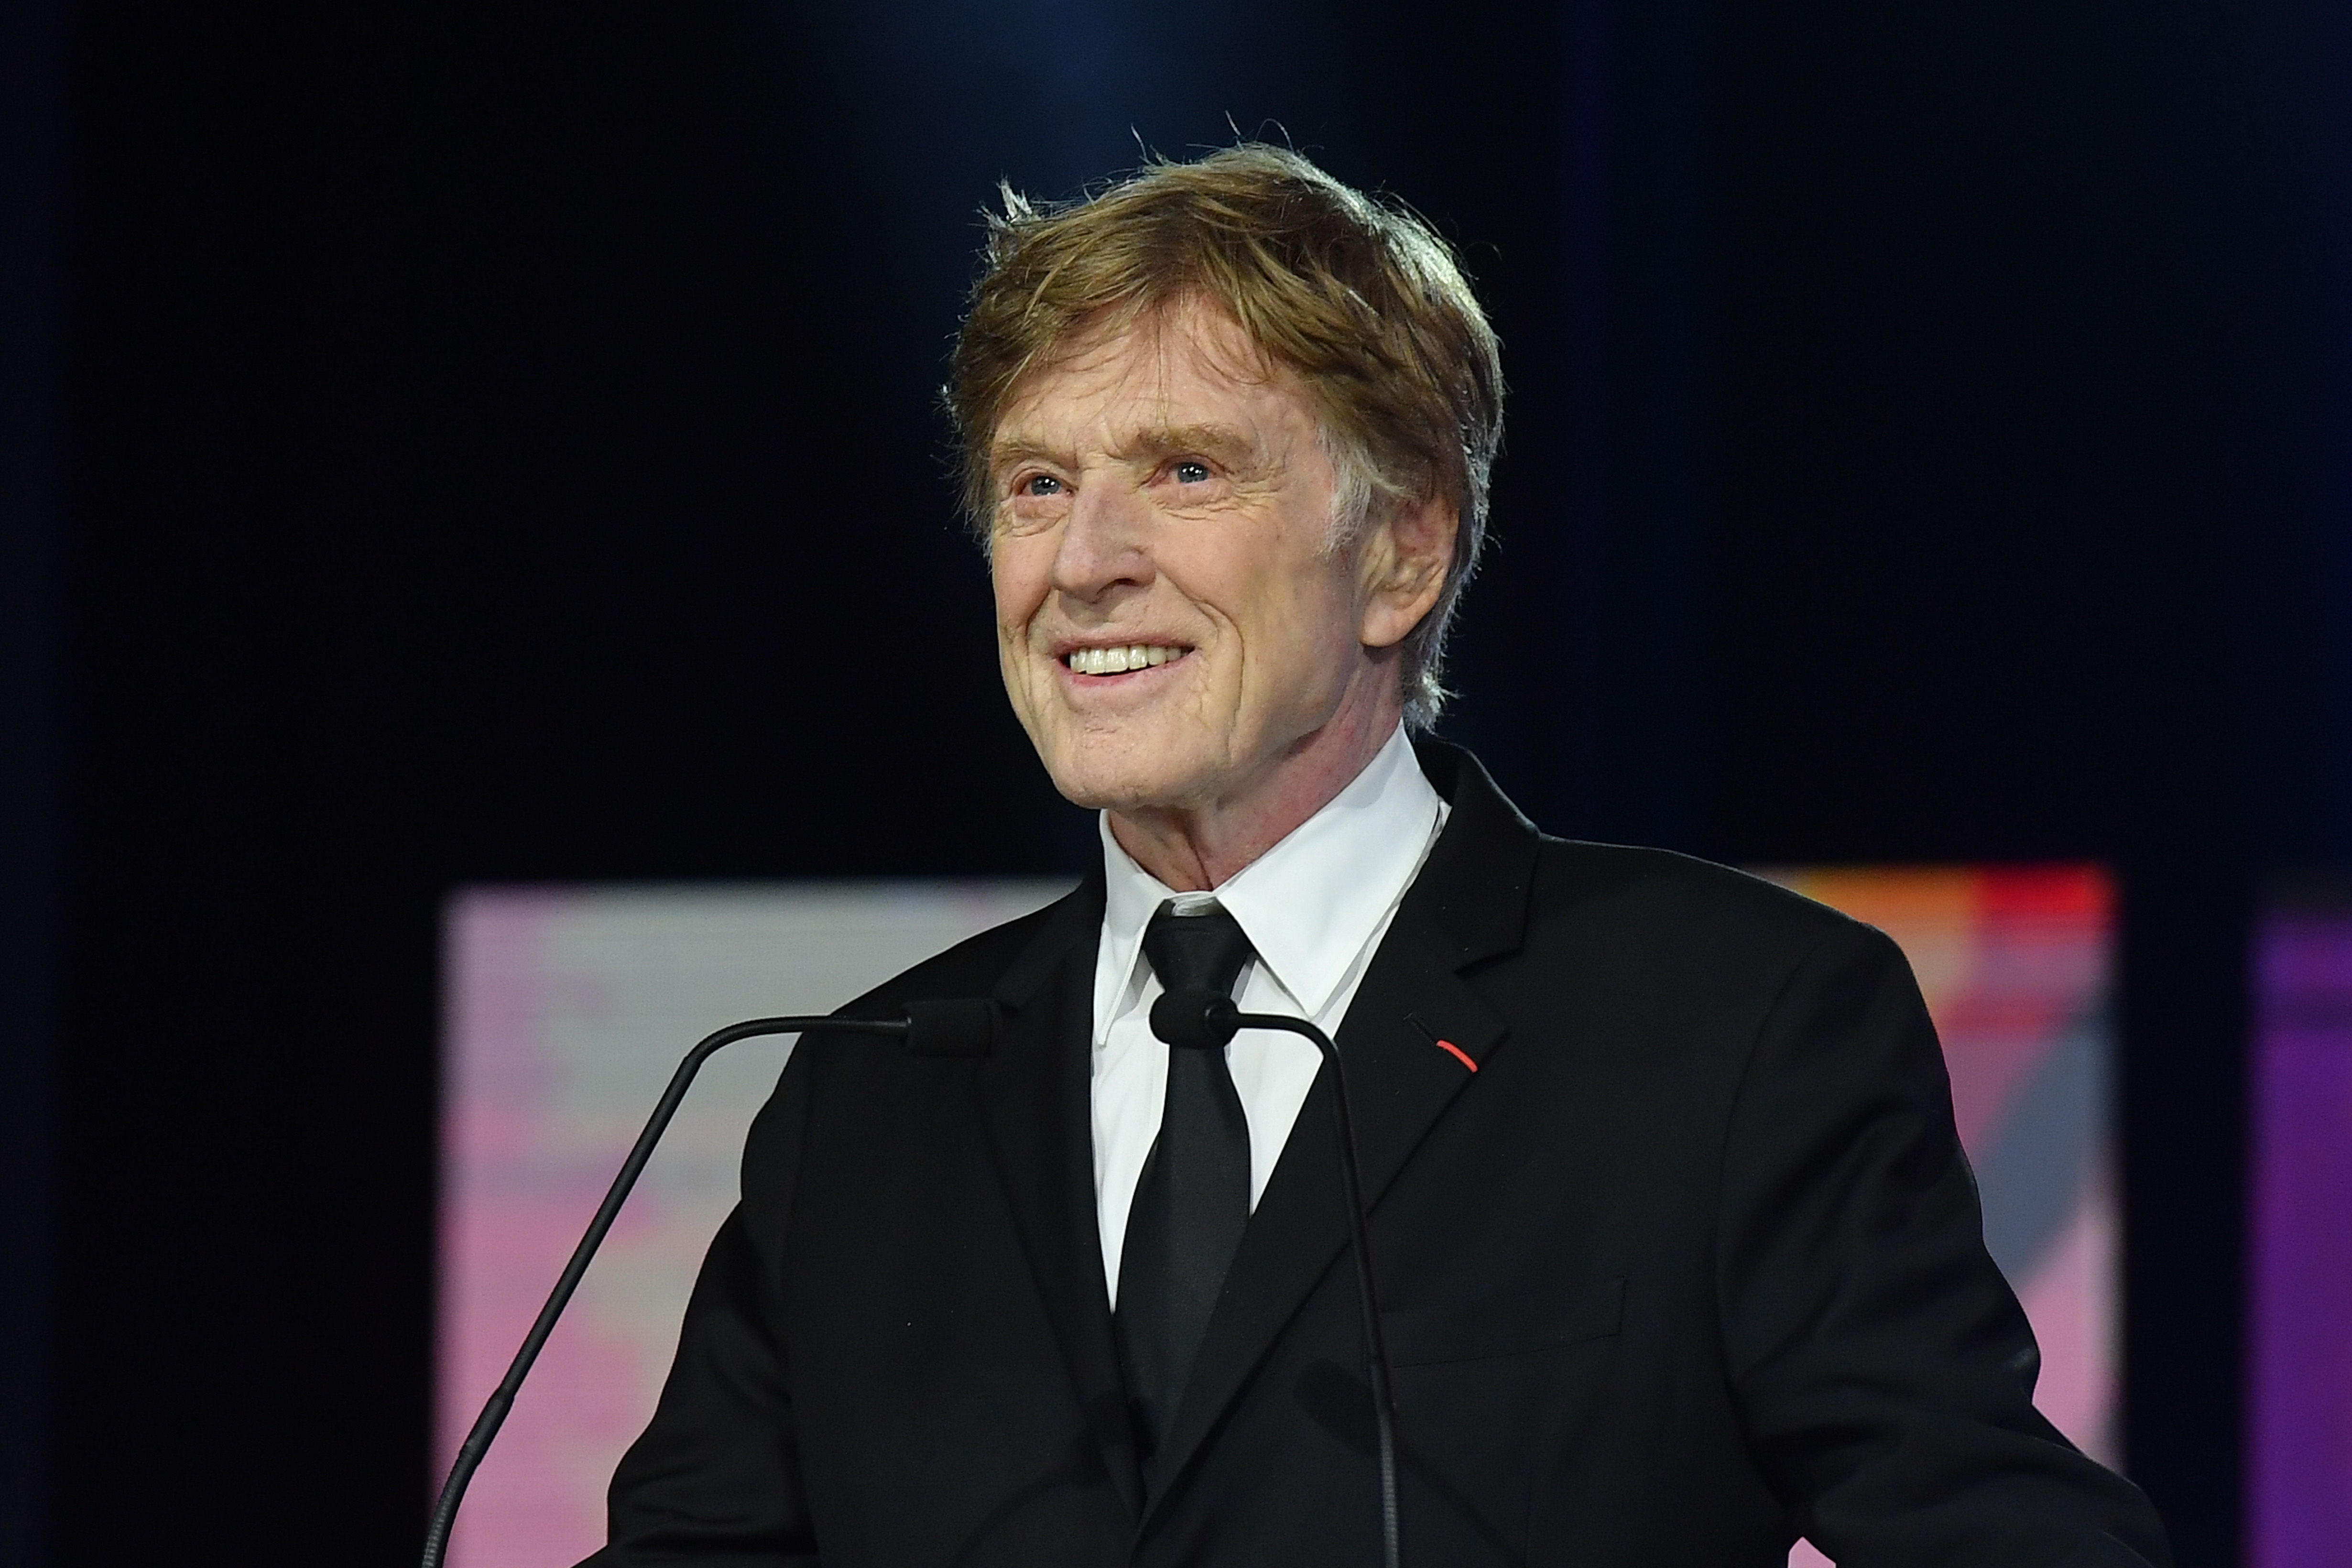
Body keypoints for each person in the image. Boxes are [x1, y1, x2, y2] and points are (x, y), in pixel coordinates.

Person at [585, 145, 2170, 1567]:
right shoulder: (861, 1103)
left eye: (1187, 472)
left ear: (1405, 547)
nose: (1083, 564)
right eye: (1038, 485)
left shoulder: (1729, 1030)